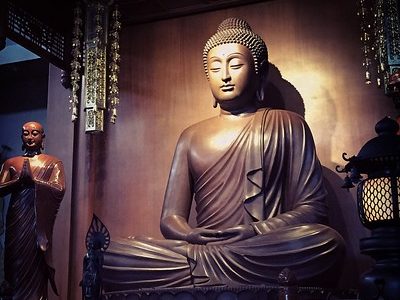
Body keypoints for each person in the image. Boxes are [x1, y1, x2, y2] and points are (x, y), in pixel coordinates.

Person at [102, 17, 344, 292]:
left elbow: (313, 210)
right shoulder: (190, 136)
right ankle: (220, 276)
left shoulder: (287, 124)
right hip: (200, 251)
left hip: (260, 248)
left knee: (326, 242)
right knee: (112, 255)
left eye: (236, 64)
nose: (225, 75)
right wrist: (191, 234)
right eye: (215, 67)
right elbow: (170, 219)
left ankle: (208, 279)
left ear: (259, 74)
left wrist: (256, 230)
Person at [0, 121, 65, 299]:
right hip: (17, 218)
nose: (30, 137)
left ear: (42, 137)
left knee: (36, 259)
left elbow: (59, 188)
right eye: (26, 133)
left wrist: (34, 182)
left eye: (34, 133)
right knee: (15, 261)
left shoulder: (53, 163)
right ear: (21, 136)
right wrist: (18, 182)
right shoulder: (11, 162)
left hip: (37, 222)